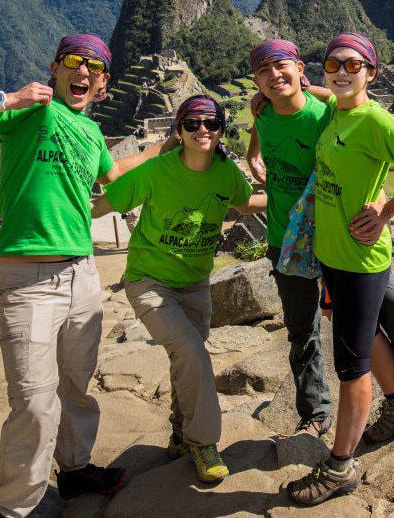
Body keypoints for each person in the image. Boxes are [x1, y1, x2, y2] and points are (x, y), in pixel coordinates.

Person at [0, 34, 175, 517]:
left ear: (103, 83)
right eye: (75, 63)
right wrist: (7, 98)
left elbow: (113, 175)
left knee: (75, 386)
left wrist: (164, 146)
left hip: (81, 274)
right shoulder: (26, 111)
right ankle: (18, 508)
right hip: (27, 276)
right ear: (55, 68)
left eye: (94, 68)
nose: (84, 73)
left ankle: (74, 471)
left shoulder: (91, 133)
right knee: (34, 403)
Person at [246, 39, 394, 443]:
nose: (274, 77)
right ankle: (316, 410)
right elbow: (260, 136)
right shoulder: (262, 112)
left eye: (281, 67)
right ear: (256, 82)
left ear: (299, 70)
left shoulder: (327, 111)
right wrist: (251, 157)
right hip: (285, 236)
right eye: (263, 72)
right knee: (301, 327)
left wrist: (383, 204)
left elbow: (348, 99)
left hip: (337, 232)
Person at [284, 33, 394, 506]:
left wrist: (386, 211)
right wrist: (286, 89)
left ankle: (340, 466)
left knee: (351, 367)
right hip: (334, 257)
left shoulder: (377, 121)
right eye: (333, 64)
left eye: (353, 65)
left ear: (370, 73)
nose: (340, 71)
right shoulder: (338, 109)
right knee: (367, 331)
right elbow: (322, 91)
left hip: (359, 260)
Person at [91, 95, 265, 483]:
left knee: (185, 359)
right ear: (179, 130)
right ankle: (203, 442)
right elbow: (98, 207)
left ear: (221, 129)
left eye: (211, 123)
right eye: (192, 124)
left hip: (195, 282)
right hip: (150, 282)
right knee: (192, 353)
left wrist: (302, 200)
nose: (203, 130)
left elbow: (245, 202)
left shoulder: (225, 173)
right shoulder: (155, 172)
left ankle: (179, 433)